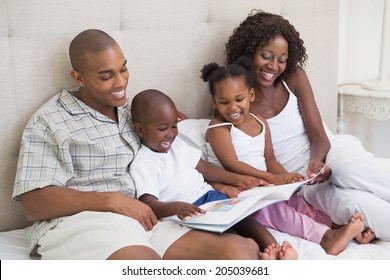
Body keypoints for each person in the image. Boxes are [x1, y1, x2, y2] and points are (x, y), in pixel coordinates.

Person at [12, 29, 269, 260]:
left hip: (148, 217)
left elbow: (174, 151)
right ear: (78, 77)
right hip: (86, 222)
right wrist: (111, 200)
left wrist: (229, 181)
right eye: (106, 76)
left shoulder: (134, 110)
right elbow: (34, 203)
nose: (121, 82)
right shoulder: (50, 121)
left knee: (242, 251)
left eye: (123, 69)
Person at [224, 9, 390, 242]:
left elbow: (319, 135)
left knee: (350, 170)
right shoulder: (236, 98)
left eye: (281, 60)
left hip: (330, 152)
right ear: (250, 51)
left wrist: (318, 163)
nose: (273, 66)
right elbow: (219, 134)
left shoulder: (293, 78)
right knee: (362, 208)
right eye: (266, 56)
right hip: (304, 184)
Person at [201, 57, 366, 255]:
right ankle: (326, 239)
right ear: (215, 102)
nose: (233, 108)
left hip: (263, 185)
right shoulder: (218, 128)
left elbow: (269, 160)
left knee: (297, 202)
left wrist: (287, 179)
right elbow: (232, 164)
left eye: (239, 99)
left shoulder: (260, 122)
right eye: (224, 102)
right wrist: (274, 178)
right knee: (276, 211)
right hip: (238, 189)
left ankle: (337, 228)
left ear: (251, 95)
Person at [129, 89, 299, 260]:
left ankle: (274, 249)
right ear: (140, 130)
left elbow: (205, 168)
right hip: (186, 214)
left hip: (210, 197)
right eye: (163, 128)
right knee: (226, 233)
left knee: (244, 220)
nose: (171, 133)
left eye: (174, 126)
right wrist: (176, 207)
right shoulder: (144, 163)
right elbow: (148, 203)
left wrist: (240, 179)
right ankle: (263, 257)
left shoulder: (178, 145)